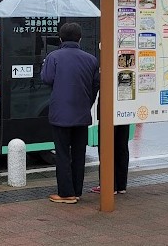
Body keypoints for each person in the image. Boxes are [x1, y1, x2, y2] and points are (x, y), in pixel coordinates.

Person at [40, 22, 99, 204]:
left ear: (60, 38)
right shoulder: (91, 59)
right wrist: (86, 103)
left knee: (63, 153)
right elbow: (96, 84)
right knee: (79, 154)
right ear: (80, 38)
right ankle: (77, 190)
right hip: (82, 114)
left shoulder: (54, 56)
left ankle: (66, 194)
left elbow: (46, 78)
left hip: (60, 114)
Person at [90, 125, 130, 195]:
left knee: (106, 147)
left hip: (108, 118)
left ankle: (109, 186)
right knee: (122, 147)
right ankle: (121, 186)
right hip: (123, 117)